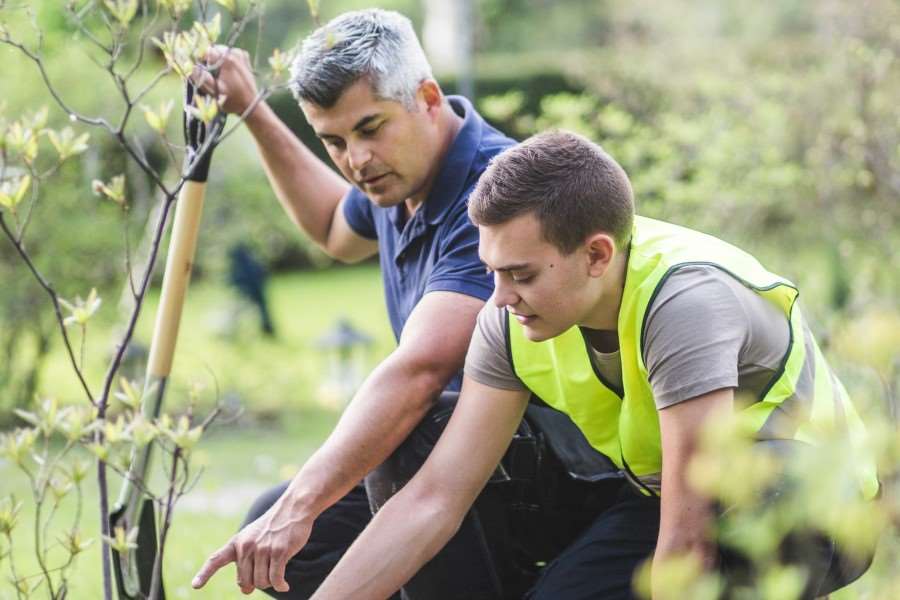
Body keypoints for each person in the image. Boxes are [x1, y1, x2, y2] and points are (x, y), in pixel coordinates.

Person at [306, 130, 880, 600]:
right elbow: (435, 497)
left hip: (812, 500)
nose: (500, 296)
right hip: (663, 497)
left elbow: (687, 540)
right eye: (492, 271)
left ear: (597, 254)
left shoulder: (684, 303)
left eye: (522, 273)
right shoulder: (509, 319)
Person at [191, 10, 621, 600]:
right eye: (334, 141)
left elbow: (420, 373)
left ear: (426, 96)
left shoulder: (495, 200)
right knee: (300, 538)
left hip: (566, 475)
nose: (356, 159)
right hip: (478, 467)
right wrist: (251, 110)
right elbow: (329, 225)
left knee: (411, 434)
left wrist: (302, 502)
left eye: (370, 128)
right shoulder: (399, 181)